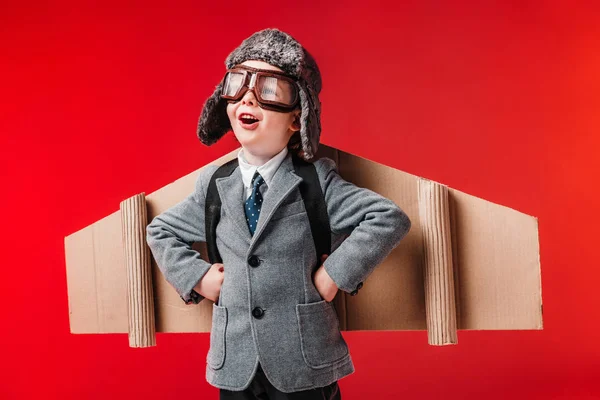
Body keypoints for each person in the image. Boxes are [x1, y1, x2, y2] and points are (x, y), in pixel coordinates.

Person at [146, 28, 411, 399]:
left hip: (303, 358)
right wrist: (198, 277)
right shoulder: (214, 185)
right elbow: (161, 231)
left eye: (268, 91)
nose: (248, 100)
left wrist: (334, 275)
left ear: (295, 119)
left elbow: (387, 218)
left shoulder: (316, 182)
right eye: (237, 85)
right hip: (235, 359)